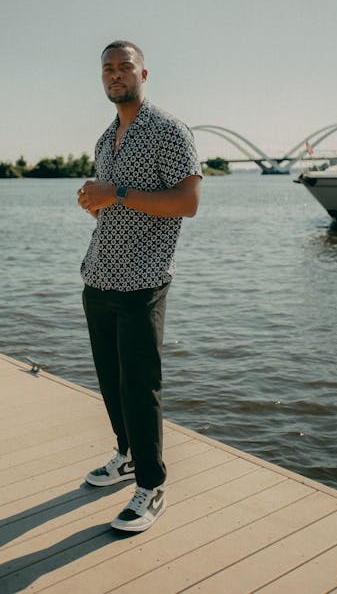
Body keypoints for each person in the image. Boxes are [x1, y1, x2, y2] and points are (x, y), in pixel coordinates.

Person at [77, 40, 202, 532]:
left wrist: (119, 193)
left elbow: (188, 202)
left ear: (143, 74)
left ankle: (151, 486)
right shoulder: (105, 139)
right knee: (110, 379)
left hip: (143, 279)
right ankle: (126, 455)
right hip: (99, 275)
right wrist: (96, 200)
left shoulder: (169, 130)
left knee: (140, 386)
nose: (114, 75)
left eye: (123, 67)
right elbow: (114, 201)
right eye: (107, 69)